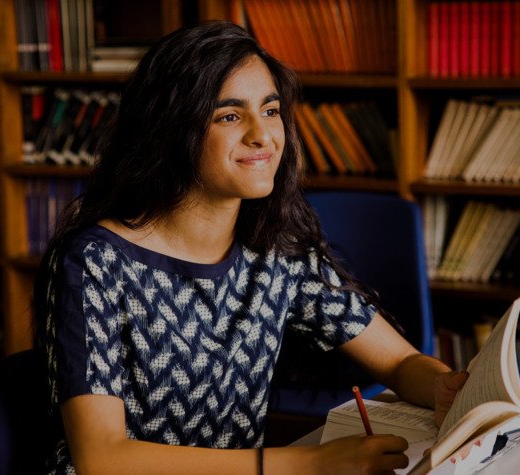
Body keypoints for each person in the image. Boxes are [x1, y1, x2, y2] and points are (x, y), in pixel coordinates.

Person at [32, 20, 468, 475]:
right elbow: (101, 458)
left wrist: (444, 387)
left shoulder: (278, 250)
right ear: (171, 131)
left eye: (272, 110)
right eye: (230, 115)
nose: (264, 135)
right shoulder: (95, 262)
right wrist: (307, 465)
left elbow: (399, 361)